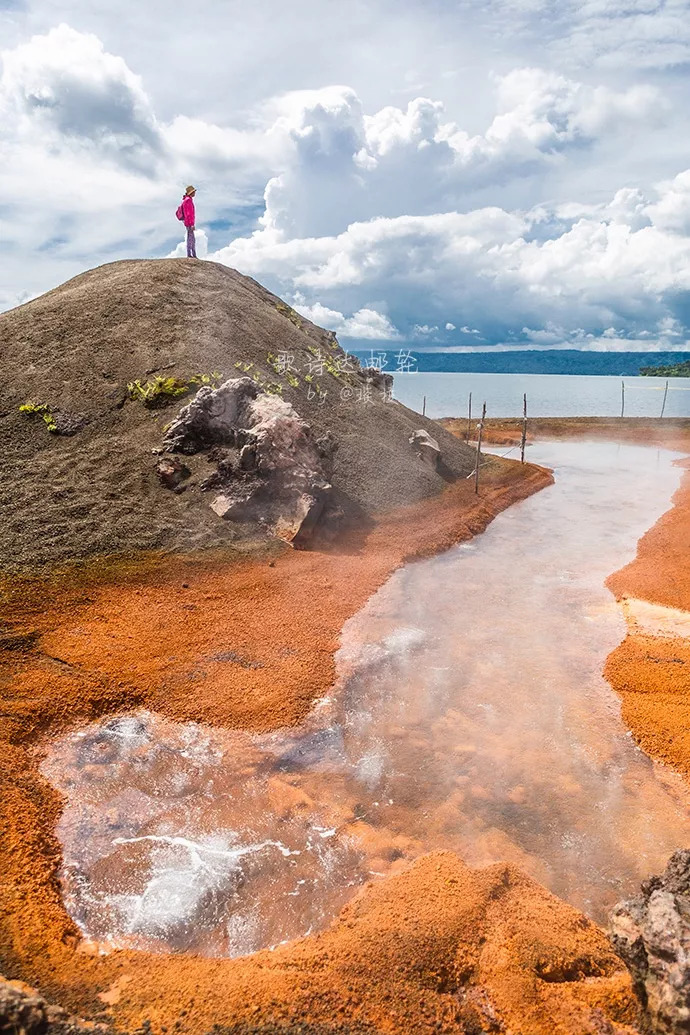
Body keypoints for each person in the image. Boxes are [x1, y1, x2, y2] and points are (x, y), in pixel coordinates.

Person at [181, 185, 197, 258]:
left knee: (191, 238)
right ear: (191, 192)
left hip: (188, 222)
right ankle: (190, 255)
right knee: (191, 239)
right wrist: (191, 224)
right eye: (193, 192)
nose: (194, 193)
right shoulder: (188, 200)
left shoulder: (187, 200)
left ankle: (192, 254)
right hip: (189, 223)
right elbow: (188, 214)